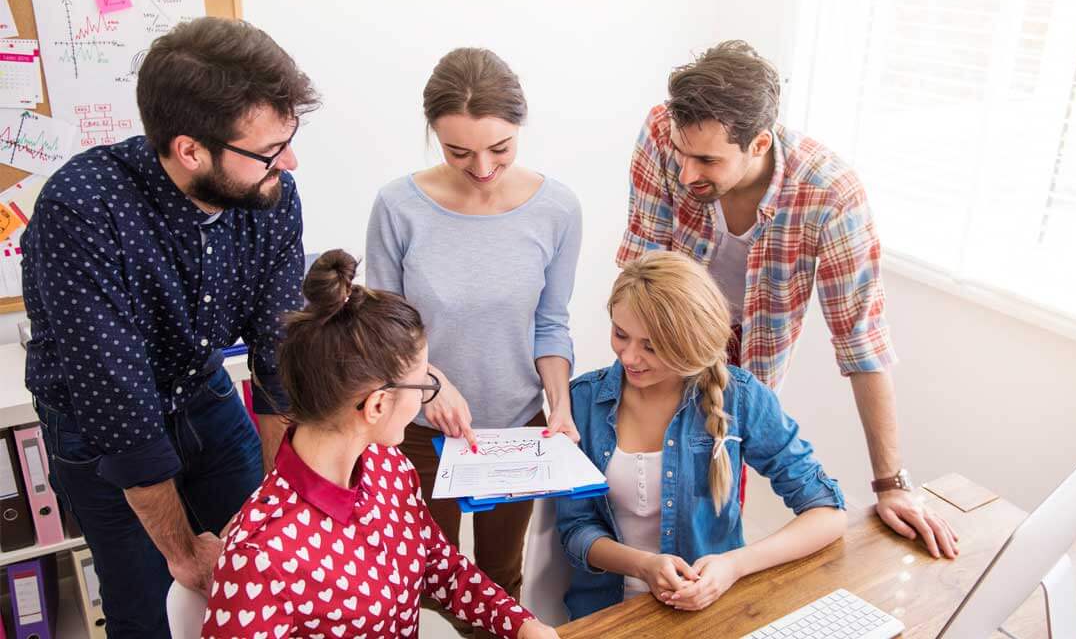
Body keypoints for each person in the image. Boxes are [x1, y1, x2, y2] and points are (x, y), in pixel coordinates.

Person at [20, 17, 315, 636]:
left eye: (288, 139)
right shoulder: (82, 208)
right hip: (99, 430)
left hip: (202, 395)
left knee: (265, 572)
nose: (288, 162)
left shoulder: (271, 195)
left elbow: (278, 357)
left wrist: (274, 506)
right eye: (269, 150)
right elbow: (118, 409)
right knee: (150, 610)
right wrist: (182, 553)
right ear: (190, 151)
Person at [618, 40, 958, 558]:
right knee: (636, 490)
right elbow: (642, 270)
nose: (685, 174)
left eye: (707, 160)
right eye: (681, 154)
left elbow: (861, 340)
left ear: (759, 142)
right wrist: (637, 353)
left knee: (712, 510)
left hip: (747, 360)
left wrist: (891, 484)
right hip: (662, 328)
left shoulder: (830, 194)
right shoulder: (663, 131)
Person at [202, 250, 559, 639]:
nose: (426, 396)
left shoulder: (391, 467)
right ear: (377, 405)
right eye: (424, 384)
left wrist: (521, 624)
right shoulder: (257, 558)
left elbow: (441, 569)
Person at [366, 47, 582, 637]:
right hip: (417, 429)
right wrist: (430, 382)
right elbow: (383, 329)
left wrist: (560, 405)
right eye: (458, 152)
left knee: (498, 581)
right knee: (418, 581)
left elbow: (550, 323)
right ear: (434, 135)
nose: (482, 167)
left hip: (514, 429)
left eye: (500, 148)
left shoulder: (558, 209)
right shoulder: (397, 207)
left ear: (521, 126)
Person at [556, 251, 846, 619]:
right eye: (620, 334)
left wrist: (733, 565)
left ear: (689, 343)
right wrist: (643, 565)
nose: (629, 357)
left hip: (709, 613)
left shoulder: (740, 397)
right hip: (606, 614)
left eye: (651, 346)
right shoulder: (583, 400)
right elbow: (576, 529)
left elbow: (827, 512)